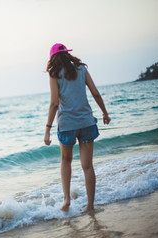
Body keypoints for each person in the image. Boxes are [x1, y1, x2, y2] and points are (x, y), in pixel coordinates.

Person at [44, 43, 111, 213]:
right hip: (87, 122)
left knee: (66, 161)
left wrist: (47, 129)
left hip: (67, 124)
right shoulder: (81, 69)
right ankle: (90, 206)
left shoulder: (54, 74)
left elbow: (53, 104)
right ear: (68, 54)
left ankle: (66, 199)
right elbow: (96, 93)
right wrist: (105, 113)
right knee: (87, 166)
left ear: (53, 58)